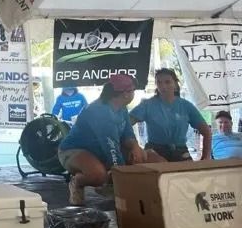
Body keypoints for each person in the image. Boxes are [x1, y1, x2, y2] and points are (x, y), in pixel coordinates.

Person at [58, 73, 164, 206]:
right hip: (74, 150)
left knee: (148, 157)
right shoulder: (100, 112)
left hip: (104, 150)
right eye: (133, 90)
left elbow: (127, 134)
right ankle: (77, 182)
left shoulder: (121, 107)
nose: (134, 93)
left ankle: (115, 184)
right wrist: (121, 177)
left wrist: (135, 147)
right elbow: (112, 149)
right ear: (126, 93)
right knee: (98, 175)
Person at [129, 68, 211, 162]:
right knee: (161, 164)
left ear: (175, 84)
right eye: (159, 82)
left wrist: (206, 157)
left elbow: (206, 131)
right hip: (155, 151)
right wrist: (135, 146)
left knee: (189, 174)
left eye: (167, 82)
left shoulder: (186, 105)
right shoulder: (147, 105)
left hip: (180, 151)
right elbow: (125, 124)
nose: (163, 86)